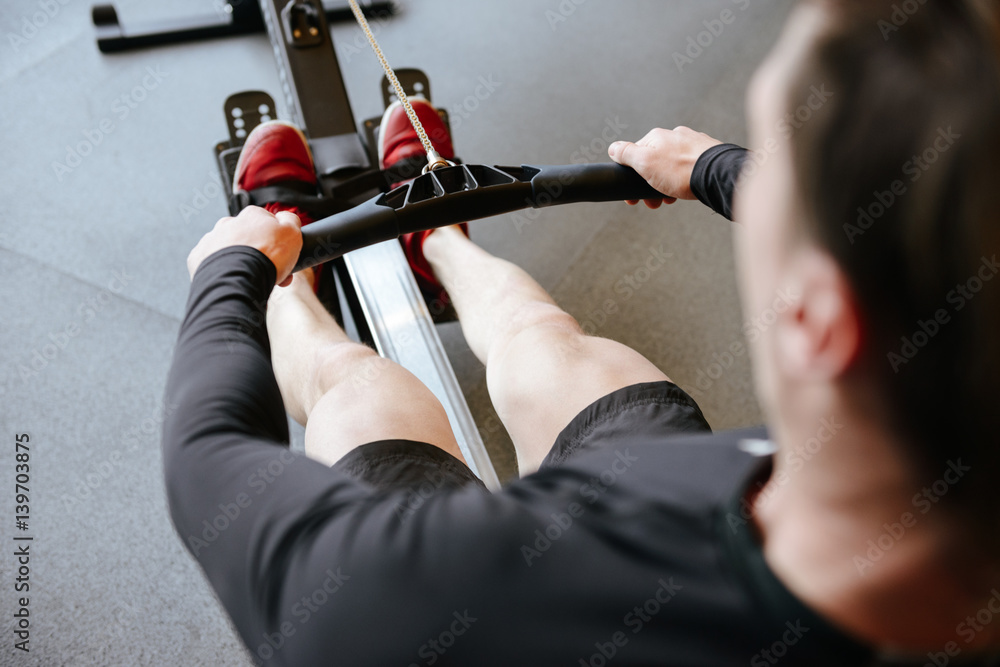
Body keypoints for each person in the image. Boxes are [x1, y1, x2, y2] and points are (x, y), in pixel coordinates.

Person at [163, 0, 1000, 664]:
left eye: (777, 174)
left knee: (362, 390)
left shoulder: (382, 607)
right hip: (700, 493)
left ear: (820, 324)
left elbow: (206, 459)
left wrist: (228, 275)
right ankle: (439, 241)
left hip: (533, 569)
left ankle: (288, 287)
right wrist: (714, 169)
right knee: (542, 337)